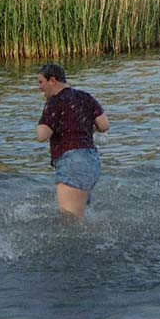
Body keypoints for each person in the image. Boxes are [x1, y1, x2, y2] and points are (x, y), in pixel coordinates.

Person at [36, 63, 110, 218]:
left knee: (70, 221)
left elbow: (42, 135)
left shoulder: (55, 102)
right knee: (81, 215)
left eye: (41, 82)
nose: (40, 87)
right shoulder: (85, 96)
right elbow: (104, 125)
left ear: (53, 80)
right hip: (92, 161)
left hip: (72, 163)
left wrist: (45, 114)